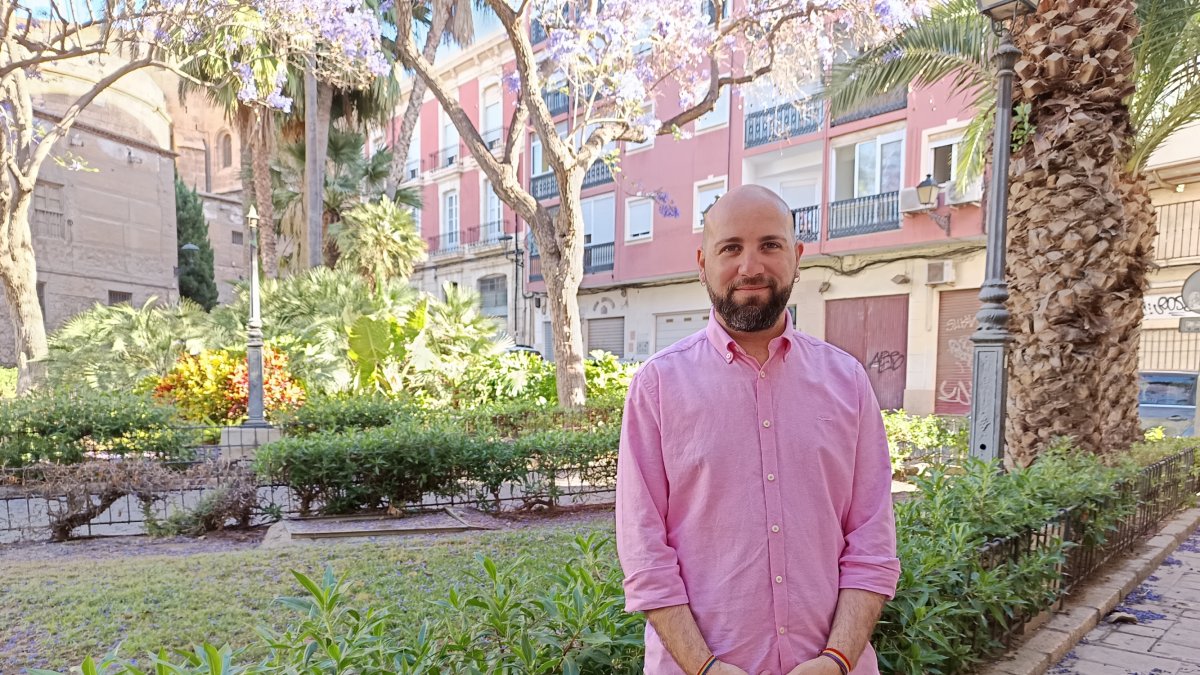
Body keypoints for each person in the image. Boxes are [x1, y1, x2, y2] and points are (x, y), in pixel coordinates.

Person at [615, 185, 899, 675]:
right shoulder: (657, 386)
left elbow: (872, 541)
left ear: (797, 256)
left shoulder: (848, 381)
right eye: (731, 248)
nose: (750, 267)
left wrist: (836, 661)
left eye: (770, 244)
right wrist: (705, 667)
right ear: (703, 263)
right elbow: (645, 556)